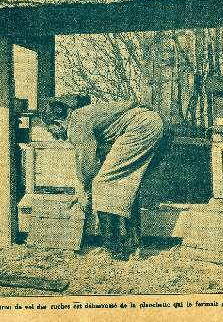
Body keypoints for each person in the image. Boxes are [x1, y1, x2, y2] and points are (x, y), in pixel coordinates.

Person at [41, 95, 164, 259]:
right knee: (126, 185)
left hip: (141, 126)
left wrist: (85, 192)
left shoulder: (76, 123)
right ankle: (133, 245)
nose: (52, 135)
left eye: (51, 130)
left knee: (102, 184)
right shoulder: (81, 115)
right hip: (153, 122)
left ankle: (113, 250)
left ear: (57, 123)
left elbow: (87, 165)